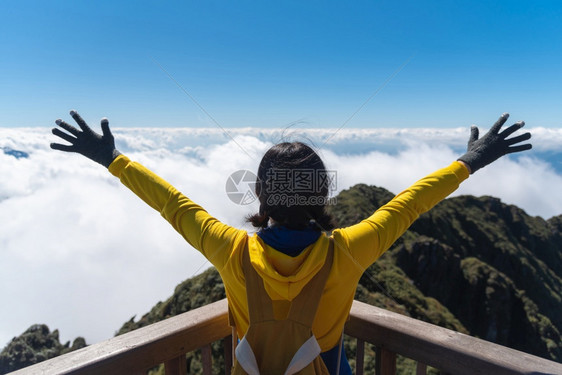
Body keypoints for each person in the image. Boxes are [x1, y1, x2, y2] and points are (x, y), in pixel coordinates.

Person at [50, 111, 531, 374]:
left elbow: (172, 203)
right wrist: (471, 161)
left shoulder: (230, 250)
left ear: (261, 193)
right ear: (322, 193)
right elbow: (408, 203)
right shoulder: (348, 250)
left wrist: (112, 158)